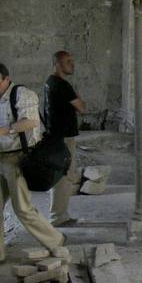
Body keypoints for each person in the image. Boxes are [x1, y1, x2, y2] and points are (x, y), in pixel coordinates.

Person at [0, 62, 66, 269]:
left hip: (19, 158)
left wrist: (4, 130)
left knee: (22, 208)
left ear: (6, 79)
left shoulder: (23, 94)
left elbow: (31, 122)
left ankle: (55, 240)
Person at [43, 50, 87, 227]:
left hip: (55, 136)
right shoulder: (62, 84)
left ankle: (59, 214)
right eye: (68, 61)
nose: (72, 65)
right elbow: (82, 107)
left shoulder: (49, 82)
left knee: (61, 174)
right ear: (57, 64)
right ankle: (58, 217)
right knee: (64, 175)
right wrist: (78, 98)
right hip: (63, 137)